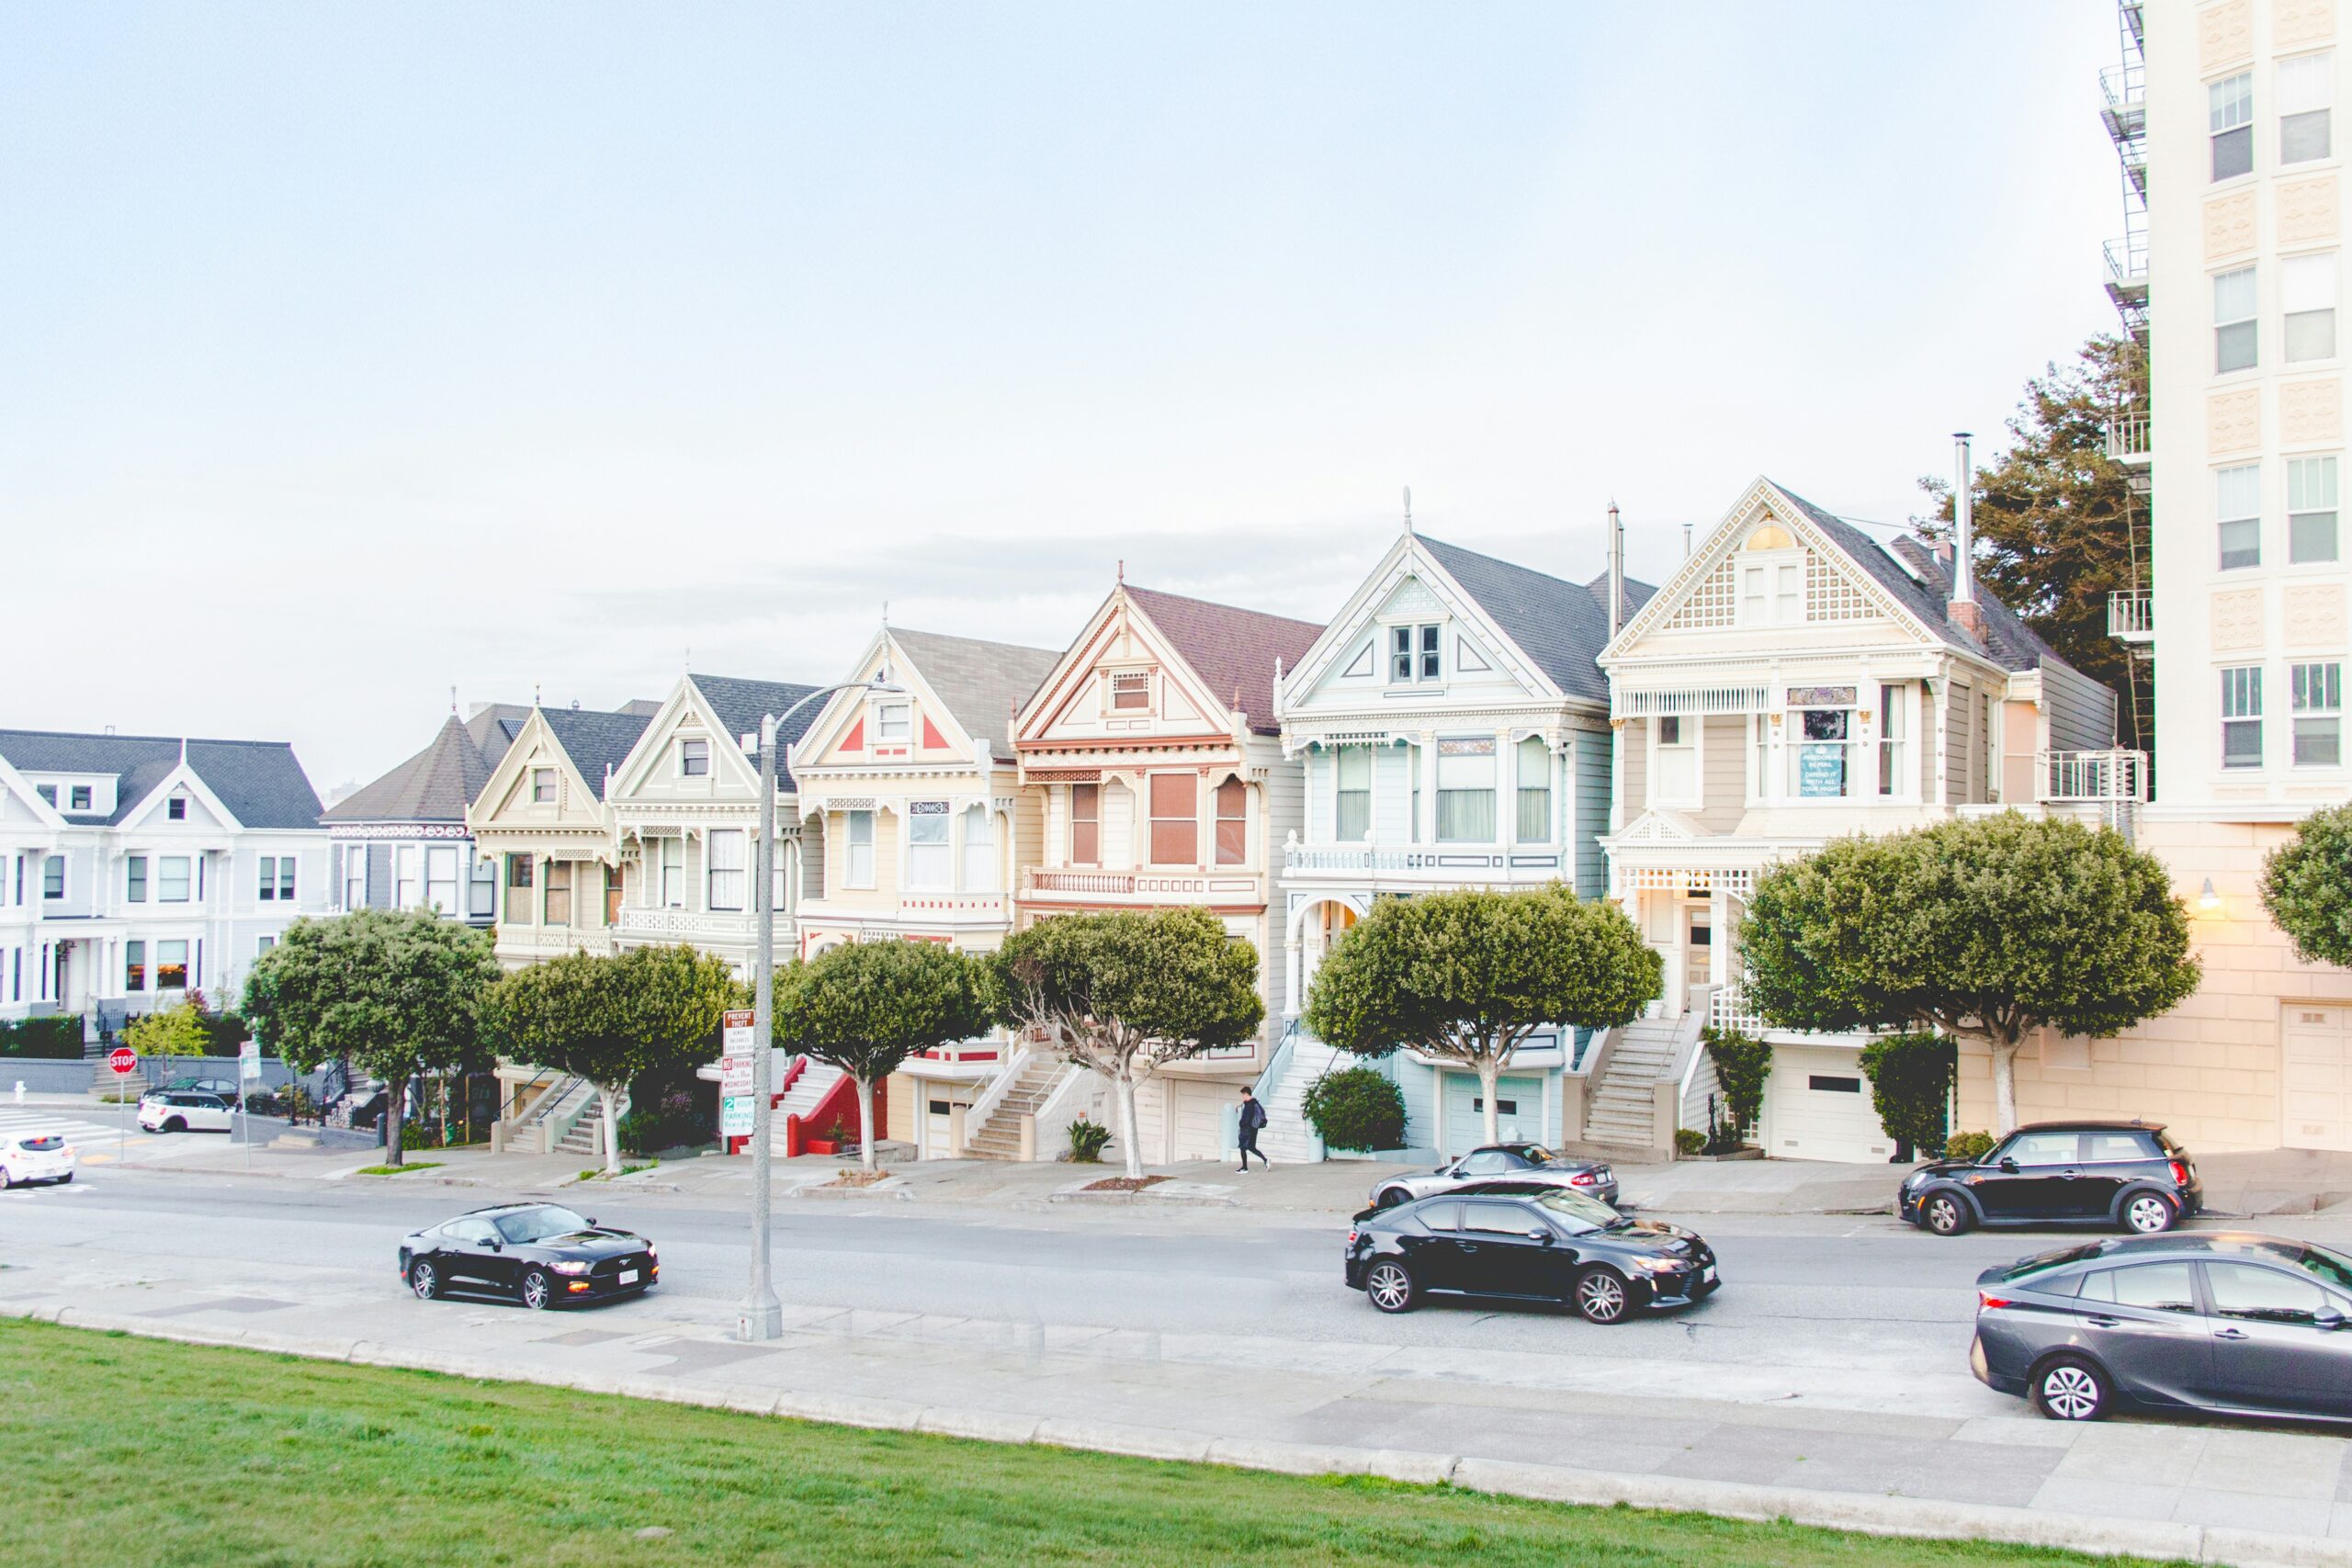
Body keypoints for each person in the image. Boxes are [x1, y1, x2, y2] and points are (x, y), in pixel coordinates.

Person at [1236, 1086, 1268, 1172]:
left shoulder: (1249, 1104)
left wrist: (1242, 1124)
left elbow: (1247, 1118)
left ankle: (1245, 1168)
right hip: (1253, 1129)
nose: (1243, 1097)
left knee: (1243, 1148)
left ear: (1246, 1094)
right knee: (1251, 1147)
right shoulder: (1254, 1103)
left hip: (1247, 1129)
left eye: (1243, 1095)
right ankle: (1266, 1160)